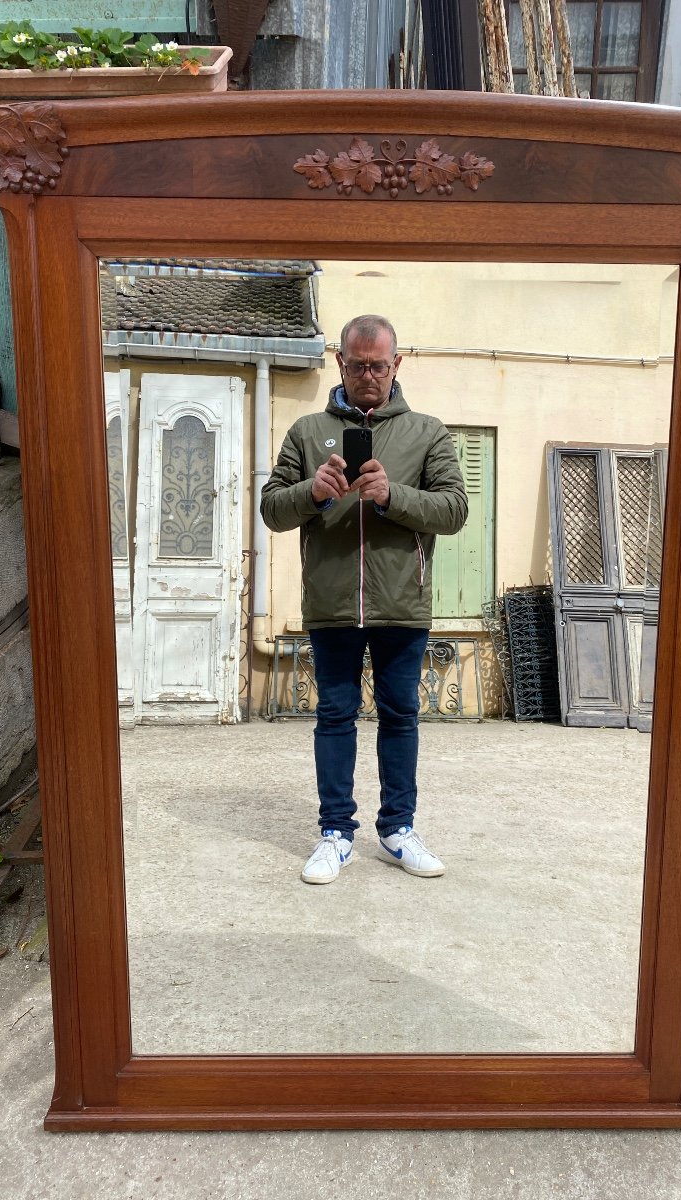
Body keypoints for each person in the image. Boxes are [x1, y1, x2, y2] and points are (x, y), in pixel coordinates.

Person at [260, 314, 468, 884]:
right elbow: (272, 508)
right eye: (358, 365)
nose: (369, 375)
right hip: (330, 608)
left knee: (401, 716)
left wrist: (392, 495)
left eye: (380, 365)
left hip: (402, 604)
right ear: (340, 363)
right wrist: (312, 491)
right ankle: (335, 833)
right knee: (334, 716)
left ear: (397, 364)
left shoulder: (427, 433)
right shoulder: (307, 431)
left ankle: (398, 829)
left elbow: (455, 509)